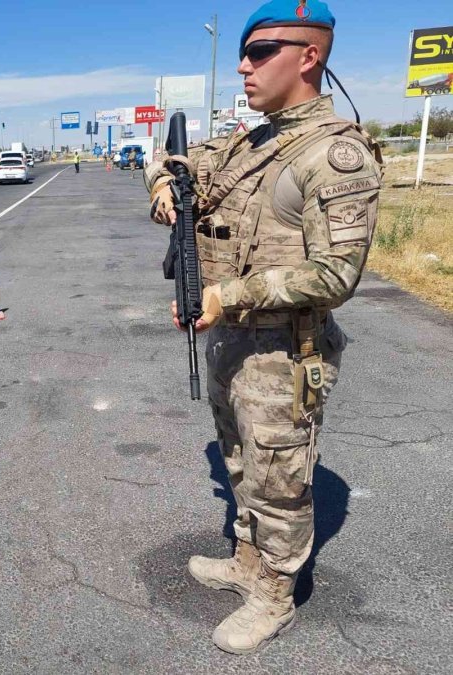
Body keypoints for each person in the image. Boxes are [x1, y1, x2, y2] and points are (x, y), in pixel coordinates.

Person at [145, 0, 381, 655]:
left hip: (285, 349)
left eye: (259, 53)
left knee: (280, 478)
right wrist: (164, 189)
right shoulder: (251, 142)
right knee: (240, 460)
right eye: (243, 55)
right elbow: (173, 161)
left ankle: (275, 594)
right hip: (234, 338)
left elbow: (336, 274)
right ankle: (248, 562)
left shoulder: (333, 155)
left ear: (309, 56)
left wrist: (228, 295)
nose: (243, 68)